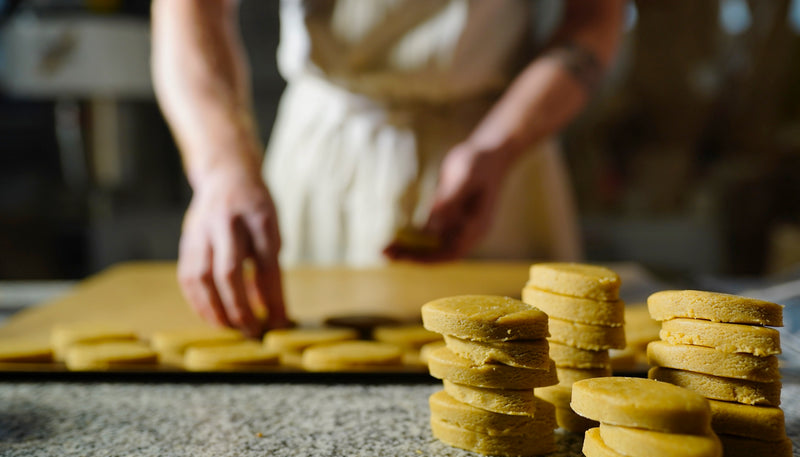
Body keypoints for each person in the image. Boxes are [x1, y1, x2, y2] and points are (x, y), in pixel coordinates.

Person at [151, 0, 625, 337]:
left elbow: (595, 17)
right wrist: (221, 167)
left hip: (504, 143)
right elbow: (191, 8)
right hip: (328, 152)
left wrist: (498, 146)